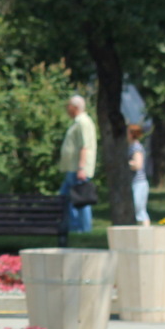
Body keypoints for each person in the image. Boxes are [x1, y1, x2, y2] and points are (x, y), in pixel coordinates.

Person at [58, 94, 98, 233]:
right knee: (66, 199)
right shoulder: (77, 122)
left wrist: (81, 168)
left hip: (78, 169)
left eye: (68, 106)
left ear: (75, 107)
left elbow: (84, 146)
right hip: (72, 169)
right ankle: (73, 228)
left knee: (81, 200)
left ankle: (84, 229)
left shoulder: (83, 122)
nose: (67, 109)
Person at [127, 123, 151, 225]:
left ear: (132, 134)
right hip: (135, 183)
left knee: (140, 211)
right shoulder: (131, 147)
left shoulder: (136, 147)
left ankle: (146, 232)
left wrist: (126, 164)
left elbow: (138, 165)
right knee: (138, 211)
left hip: (139, 183)